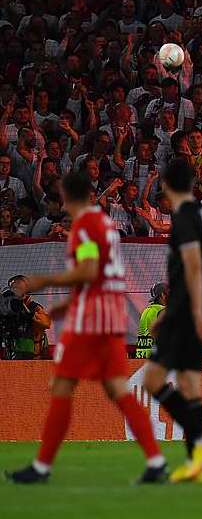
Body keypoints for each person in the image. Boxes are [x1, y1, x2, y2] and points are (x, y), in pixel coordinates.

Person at [5, 171, 166, 484]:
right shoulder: (103, 224)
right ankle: (156, 461)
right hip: (109, 318)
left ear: (68, 195)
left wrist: (45, 280)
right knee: (118, 390)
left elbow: (90, 270)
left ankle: (41, 468)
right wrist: (68, 303)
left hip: (90, 323)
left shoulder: (85, 227)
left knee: (62, 386)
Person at [141, 158, 202, 484]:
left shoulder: (185, 219)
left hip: (188, 310)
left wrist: (189, 314)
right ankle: (196, 462)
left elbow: (191, 266)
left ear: (165, 185)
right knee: (189, 383)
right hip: (194, 309)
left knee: (154, 380)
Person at [1, 275, 51, 360]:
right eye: (13, 289)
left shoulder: (35, 308)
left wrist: (25, 310)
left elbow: (46, 323)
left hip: (33, 360)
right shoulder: (9, 310)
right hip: (12, 358)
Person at [134, 282, 167, 360]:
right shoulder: (163, 311)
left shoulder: (146, 311)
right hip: (154, 357)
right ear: (163, 295)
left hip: (140, 356)